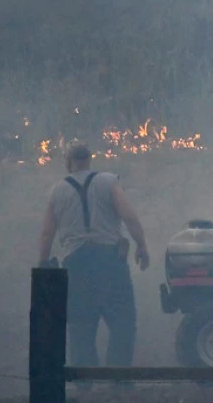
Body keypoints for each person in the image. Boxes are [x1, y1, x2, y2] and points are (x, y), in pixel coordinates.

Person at [37, 142, 149, 370]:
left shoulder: (57, 191)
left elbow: (48, 232)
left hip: (76, 262)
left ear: (69, 163)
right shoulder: (109, 181)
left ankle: (85, 382)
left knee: (80, 324)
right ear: (89, 159)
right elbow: (128, 215)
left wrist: (42, 264)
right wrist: (141, 245)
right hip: (109, 259)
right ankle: (119, 378)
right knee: (122, 321)